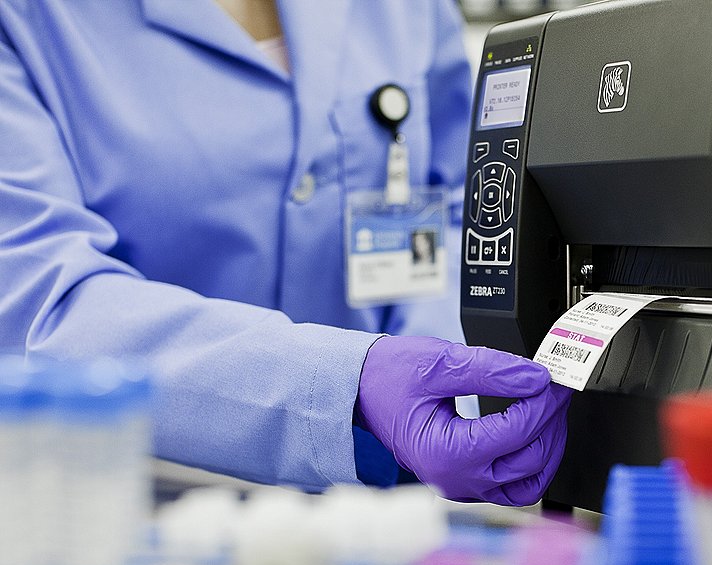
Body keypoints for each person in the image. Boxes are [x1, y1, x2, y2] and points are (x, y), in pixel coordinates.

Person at [0, 0, 572, 506]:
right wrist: (346, 384)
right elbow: (39, 304)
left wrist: (457, 386)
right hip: (126, 508)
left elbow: (458, 206)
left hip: (382, 514)